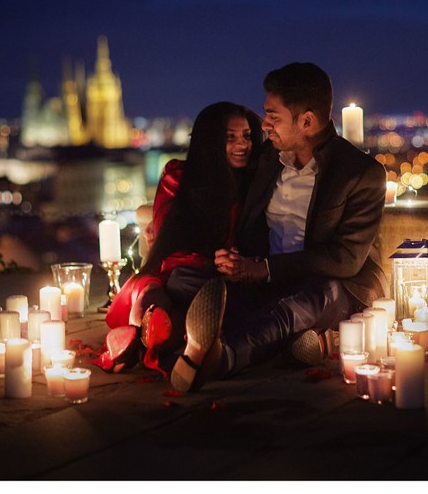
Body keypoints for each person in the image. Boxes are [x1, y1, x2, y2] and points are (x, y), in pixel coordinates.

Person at [170, 62, 387, 392]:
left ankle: (223, 356)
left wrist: (266, 269)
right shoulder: (268, 159)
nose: (265, 123)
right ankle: (294, 342)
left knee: (312, 297)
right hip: (266, 284)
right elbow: (240, 217)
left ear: (307, 121)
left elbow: (345, 259)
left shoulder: (360, 173)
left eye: (274, 115)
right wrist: (235, 260)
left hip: (333, 288)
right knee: (183, 279)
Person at [94, 101, 262, 375]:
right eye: (230, 137)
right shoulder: (179, 177)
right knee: (159, 289)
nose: (241, 144)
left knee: (200, 294)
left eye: (246, 136)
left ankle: (144, 341)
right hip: (173, 270)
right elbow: (167, 237)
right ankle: (163, 338)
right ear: (210, 141)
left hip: (219, 278)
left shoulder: (253, 183)